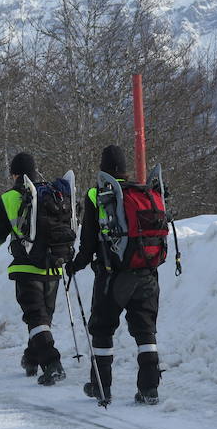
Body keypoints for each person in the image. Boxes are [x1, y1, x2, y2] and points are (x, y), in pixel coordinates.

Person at [69, 145, 163, 405]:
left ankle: (101, 386)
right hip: (147, 272)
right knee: (145, 330)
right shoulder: (143, 191)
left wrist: (76, 264)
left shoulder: (97, 194)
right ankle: (149, 388)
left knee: (102, 328)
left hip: (113, 275)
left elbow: (88, 241)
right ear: (125, 168)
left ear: (103, 168)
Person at [0, 152, 66, 386]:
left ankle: (52, 363)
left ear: (14, 174)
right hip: (53, 268)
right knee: (42, 319)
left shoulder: (9, 197)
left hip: (27, 267)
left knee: (36, 318)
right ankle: (31, 359)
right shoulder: (53, 194)